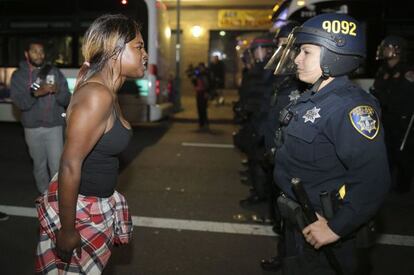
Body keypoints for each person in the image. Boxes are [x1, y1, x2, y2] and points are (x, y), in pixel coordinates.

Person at [271, 13, 390, 274]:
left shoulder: (351, 108)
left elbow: (373, 179)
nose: (297, 59)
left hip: (325, 229)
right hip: (299, 222)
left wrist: (336, 228)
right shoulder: (312, 97)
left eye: (306, 52)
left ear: (334, 55)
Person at [34, 14, 148, 274]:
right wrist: (67, 229)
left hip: (96, 204)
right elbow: (70, 164)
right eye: (139, 47)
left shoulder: (106, 89)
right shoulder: (98, 94)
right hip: (80, 211)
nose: (145, 54)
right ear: (113, 50)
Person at [10, 39, 71, 194]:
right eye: (35, 51)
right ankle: (44, 195)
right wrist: (36, 93)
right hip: (32, 128)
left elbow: (67, 99)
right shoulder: (18, 76)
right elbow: (21, 103)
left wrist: (58, 91)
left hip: (54, 126)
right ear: (26, 54)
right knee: (39, 165)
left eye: (41, 51)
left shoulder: (54, 72)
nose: (39, 54)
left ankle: (57, 198)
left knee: (57, 166)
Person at [371, 35, 414, 193]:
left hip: (403, 120)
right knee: (386, 153)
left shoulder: (407, 71)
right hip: (386, 118)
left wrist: (383, 96)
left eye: (386, 47)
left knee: (403, 154)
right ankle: (385, 184)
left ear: (396, 50)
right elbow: (376, 91)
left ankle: (403, 188)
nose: (383, 50)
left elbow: (402, 97)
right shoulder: (383, 70)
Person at [194, 62, 210, 129]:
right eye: (199, 67)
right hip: (199, 92)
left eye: (201, 67)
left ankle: (205, 122)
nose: (200, 68)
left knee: (203, 108)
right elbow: (195, 81)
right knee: (199, 108)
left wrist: (206, 92)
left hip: (203, 92)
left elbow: (207, 84)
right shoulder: (198, 74)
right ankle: (201, 122)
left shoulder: (205, 74)